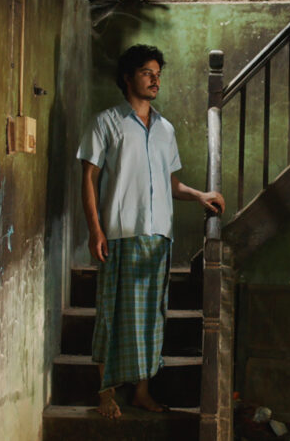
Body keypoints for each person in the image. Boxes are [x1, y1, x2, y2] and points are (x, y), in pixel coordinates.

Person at [76, 44, 225, 419]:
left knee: (151, 319)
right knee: (112, 315)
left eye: (158, 73)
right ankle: (106, 394)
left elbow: (171, 183)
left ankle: (142, 392)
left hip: (159, 237)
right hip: (120, 234)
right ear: (128, 78)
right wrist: (95, 230)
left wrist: (200, 195)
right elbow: (89, 179)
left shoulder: (165, 129)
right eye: (147, 72)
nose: (155, 79)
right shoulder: (106, 123)